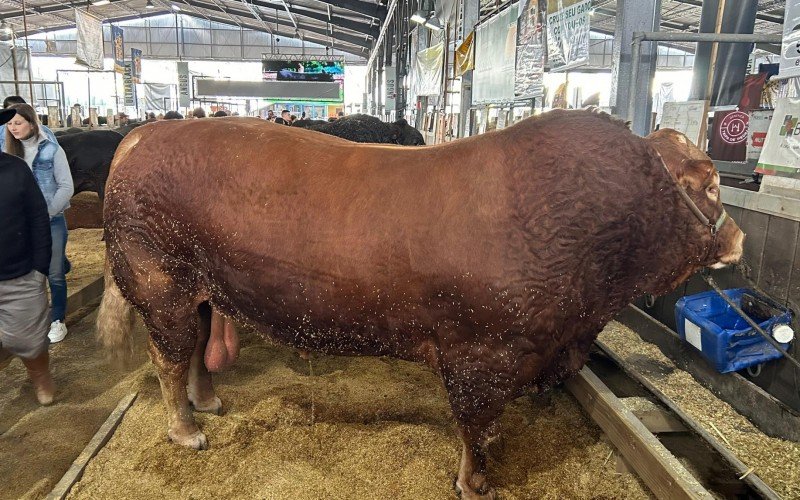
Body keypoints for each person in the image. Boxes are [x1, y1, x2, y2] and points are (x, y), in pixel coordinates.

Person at [0, 107, 56, 405]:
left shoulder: (15, 169)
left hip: (18, 274)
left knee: (29, 340)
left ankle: (39, 375)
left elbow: (37, 218)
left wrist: (39, 268)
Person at [5, 103, 74, 343]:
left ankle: (57, 320)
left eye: (18, 123)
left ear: (32, 124)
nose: (13, 128)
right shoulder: (7, 154)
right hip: (18, 225)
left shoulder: (51, 150)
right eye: (10, 123)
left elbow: (67, 186)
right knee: (29, 274)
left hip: (51, 221)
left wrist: (47, 213)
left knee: (54, 274)